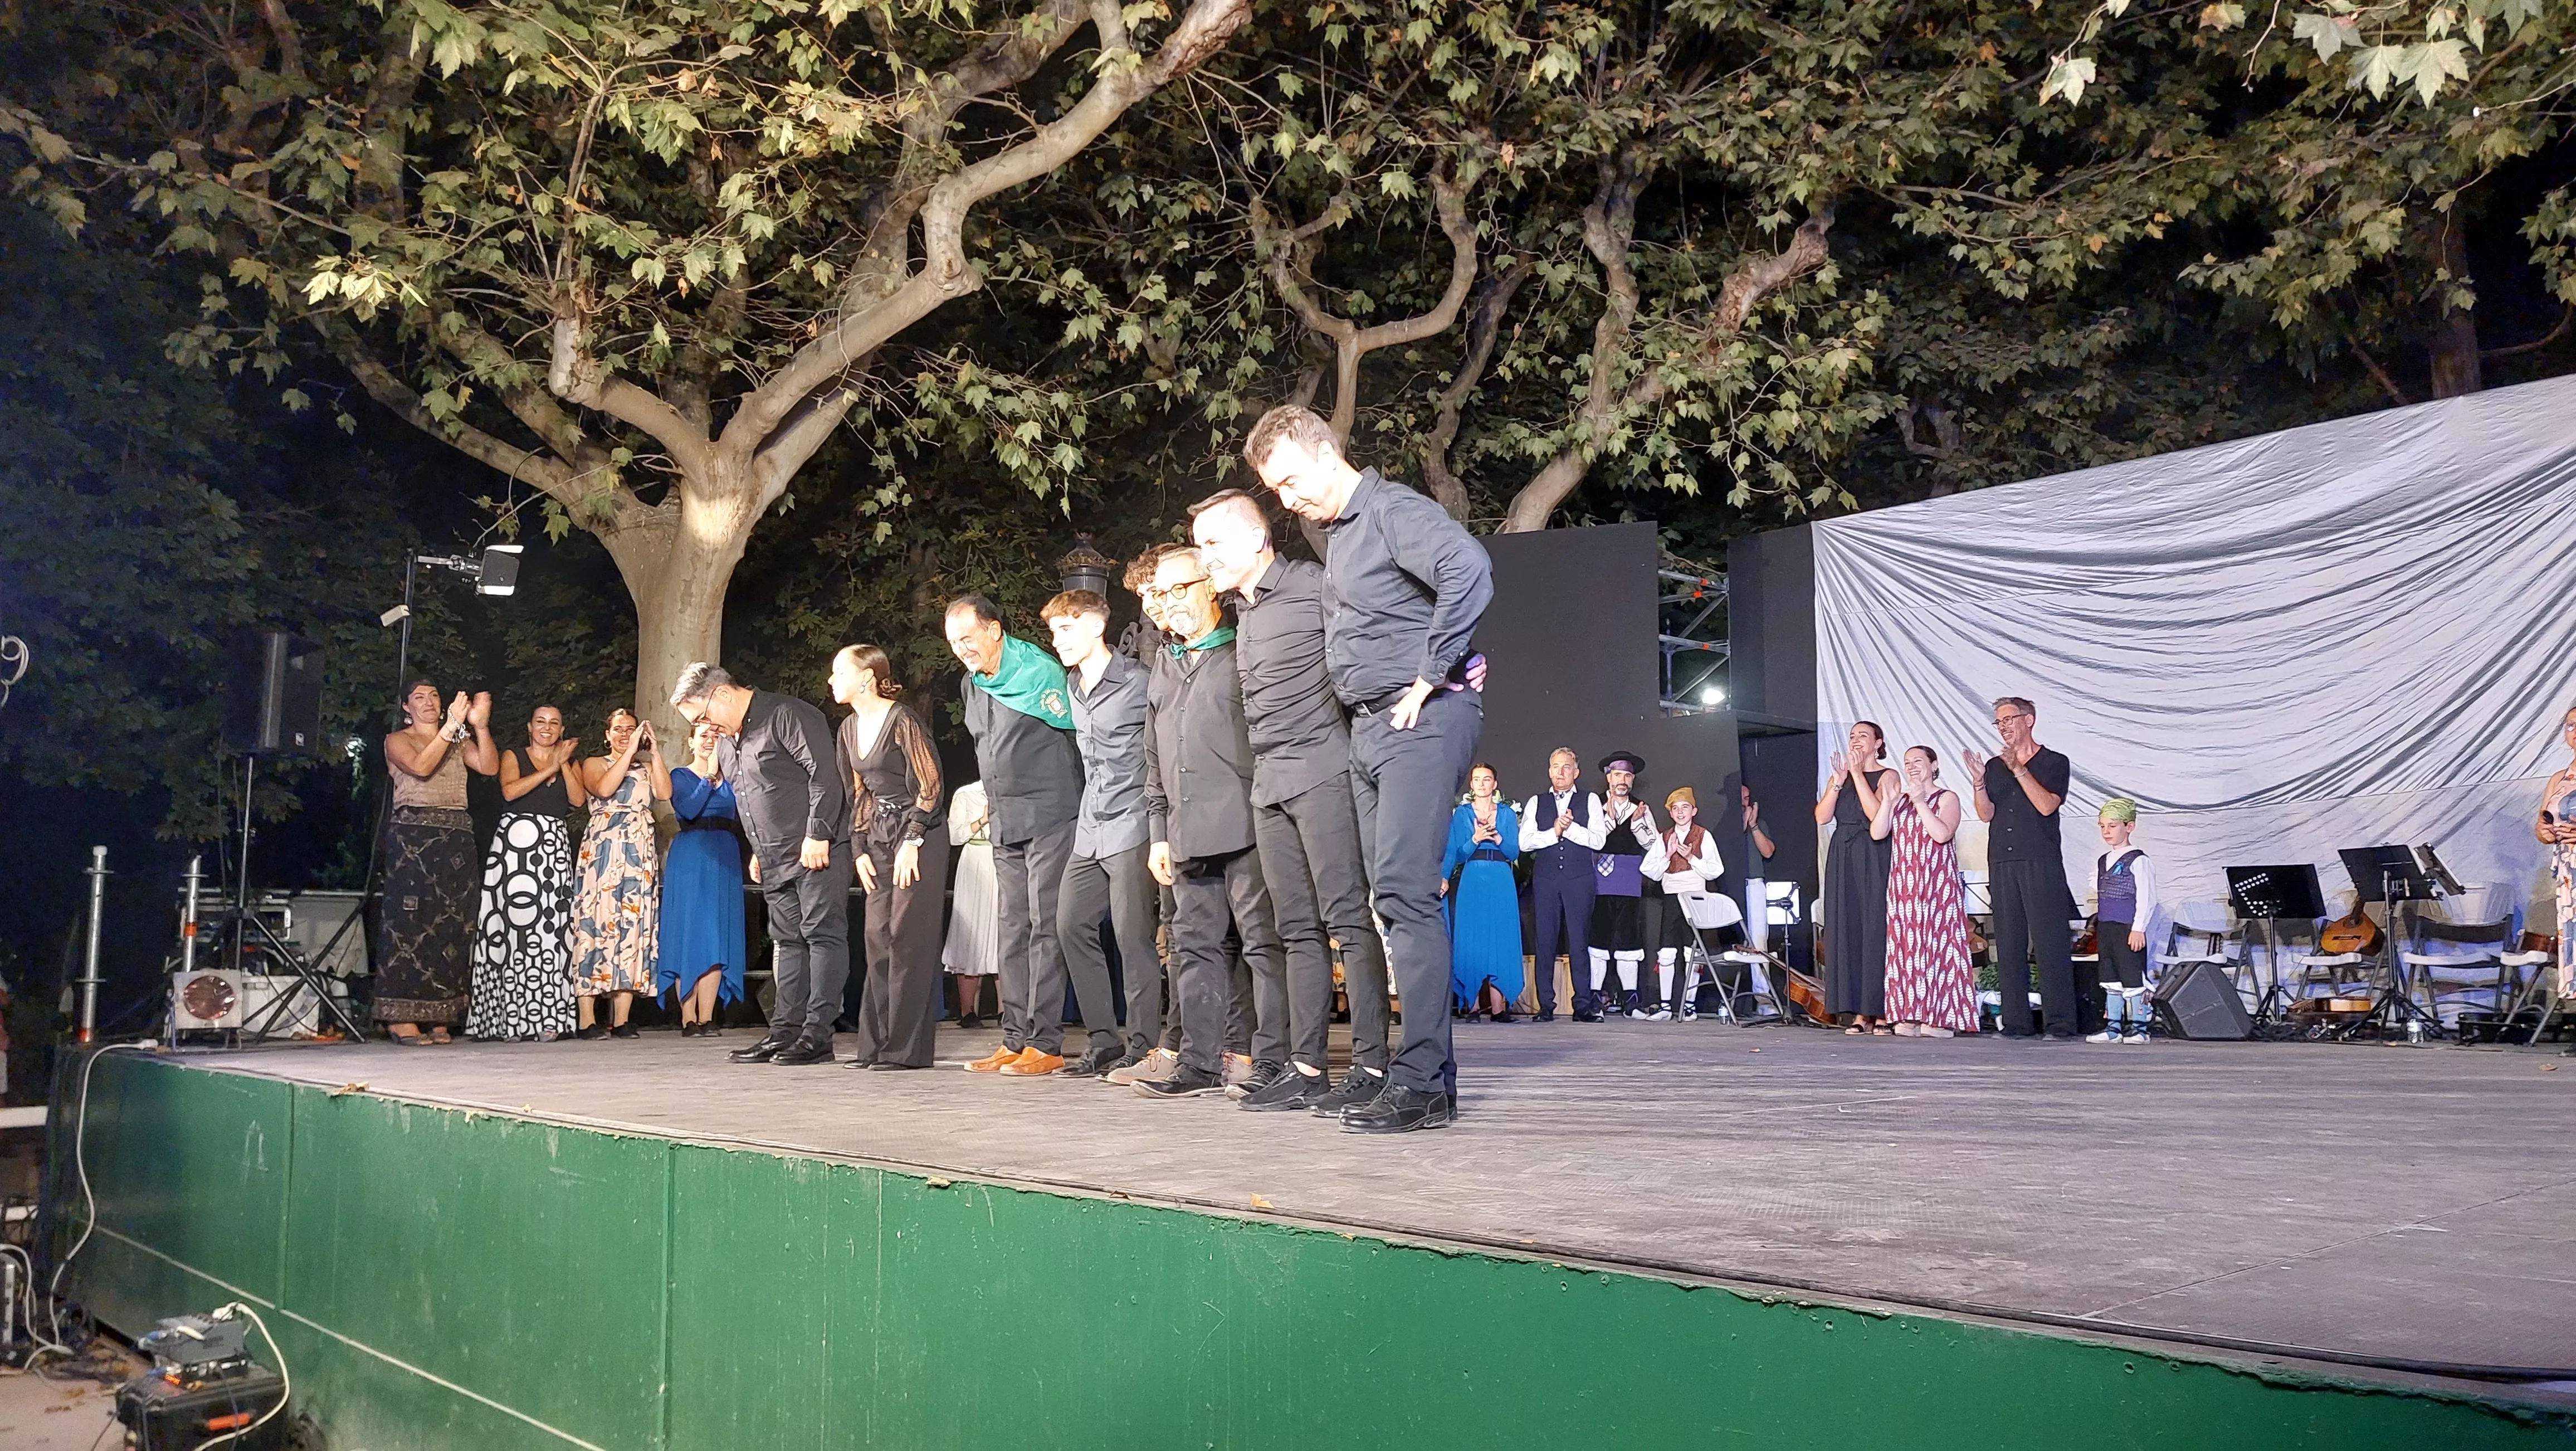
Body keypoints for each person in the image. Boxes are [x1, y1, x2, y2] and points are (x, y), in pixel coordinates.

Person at [1249, 402, 1492, 1133]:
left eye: (1291, 481)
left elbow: (1468, 568)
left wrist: (1434, 671)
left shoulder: (1390, 510)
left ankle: (1422, 1086)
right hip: (1368, 730)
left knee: (1405, 894)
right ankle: (1419, 1078)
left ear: (1326, 455)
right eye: (1275, 490)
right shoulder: (1339, 535)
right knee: (1388, 900)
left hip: (1417, 719)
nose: (1287, 499)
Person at [1192, 489, 1396, 1110]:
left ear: (1257, 539)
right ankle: (1307, 1069)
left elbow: (1378, 635)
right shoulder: (1243, 611)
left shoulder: (1312, 585)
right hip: (1270, 786)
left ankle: (1372, 1066)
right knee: (1296, 929)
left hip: (1325, 772)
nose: (1204, 557)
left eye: (1213, 542)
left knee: (1347, 921)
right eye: (1199, 545)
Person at [1134, 546, 1289, 1101]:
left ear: (1210, 586)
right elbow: (1154, 754)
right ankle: (1198, 1065)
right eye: (1162, 592)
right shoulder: (1166, 660)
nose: (1169, 601)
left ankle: (1272, 1061)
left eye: (1180, 588)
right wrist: (1158, 832)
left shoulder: (1243, 647)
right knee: (1193, 948)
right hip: (1186, 832)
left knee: (1261, 945)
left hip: (1247, 826)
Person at [947, 595, 1120, 1077]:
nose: (962, 649)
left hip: (1050, 815)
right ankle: (1014, 1038)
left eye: (968, 638)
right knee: (1011, 927)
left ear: (994, 630)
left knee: (1046, 926)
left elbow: (1080, 736)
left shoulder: (1040, 672)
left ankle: (1045, 1042)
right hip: (1004, 821)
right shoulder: (972, 684)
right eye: (954, 642)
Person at [672, 663, 853, 1066]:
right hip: (773, 856)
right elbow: (750, 799)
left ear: (722, 694)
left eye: (702, 717)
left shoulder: (787, 715)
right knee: (787, 941)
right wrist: (758, 849)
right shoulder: (726, 743)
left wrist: (818, 833)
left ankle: (818, 1036)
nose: (705, 728)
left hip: (816, 847)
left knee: (822, 935)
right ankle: (784, 1033)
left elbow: (825, 775)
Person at [1042, 591, 1161, 1080]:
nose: (1057, 641)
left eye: (1066, 630)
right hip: (1091, 827)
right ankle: (1104, 1041)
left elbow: (1160, 750)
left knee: (1133, 938)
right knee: (1070, 925)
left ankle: (1145, 1047)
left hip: (1133, 823)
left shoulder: (1138, 681)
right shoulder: (1073, 685)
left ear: (1096, 626)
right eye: (1054, 632)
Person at [831, 644, 950, 1070]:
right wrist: (859, 848)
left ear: (867, 677)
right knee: (877, 936)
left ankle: (906, 1050)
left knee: (906, 937)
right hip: (879, 834)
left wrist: (913, 839)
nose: (831, 680)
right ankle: (875, 1046)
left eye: (839, 672)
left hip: (919, 833)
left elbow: (931, 784)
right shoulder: (848, 728)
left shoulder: (902, 720)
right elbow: (858, 794)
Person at [378, 681, 498, 1044]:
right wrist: (452, 726)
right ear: (406, 707)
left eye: (433, 696)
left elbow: (489, 767)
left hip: (456, 837)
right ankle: (401, 1017)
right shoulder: (397, 740)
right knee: (411, 923)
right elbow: (421, 767)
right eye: (419, 698)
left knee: (452, 926)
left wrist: (479, 726)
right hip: (414, 837)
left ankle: (440, 1013)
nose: (428, 702)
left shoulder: (458, 739)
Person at [466, 704, 585, 1042]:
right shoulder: (514, 756)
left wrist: (564, 765)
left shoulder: (570, 761)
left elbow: (578, 801)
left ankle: (549, 1018)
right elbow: (510, 790)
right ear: (530, 727)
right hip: (515, 847)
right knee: (513, 930)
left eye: (554, 723)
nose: (547, 728)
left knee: (551, 932)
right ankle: (511, 1020)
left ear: (562, 730)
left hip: (552, 848)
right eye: (541, 722)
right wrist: (552, 767)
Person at [1967, 696, 2079, 1039]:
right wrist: (1979, 782)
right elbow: (1986, 814)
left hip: (2040, 859)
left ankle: (2060, 1022)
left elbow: (2047, 806)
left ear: (2028, 720)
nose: (2003, 727)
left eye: (2009, 720)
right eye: (1999, 722)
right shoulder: (1994, 766)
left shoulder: (2054, 762)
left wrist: (2019, 769)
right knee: (2008, 942)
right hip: (2002, 859)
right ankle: (2016, 1021)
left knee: (2049, 942)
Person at [570, 708, 671, 1039]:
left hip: (638, 852)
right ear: (607, 734)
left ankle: (623, 1018)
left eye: (631, 729)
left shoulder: (645, 767)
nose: (625, 734)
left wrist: (654, 752)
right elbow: (604, 789)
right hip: (604, 849)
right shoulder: (594, 763)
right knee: (595, 923)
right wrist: (628, 753)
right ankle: (587, 1020)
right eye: (619, 729)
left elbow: (665, 794)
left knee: (632, 926)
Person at [1873, 746, 1977, 1039]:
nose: (1912, 766)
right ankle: (1910, 1013)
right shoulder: (1901, 800)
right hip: (1904, 887)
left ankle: (1939, 1017)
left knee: (1938, 946)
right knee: (1907, 949)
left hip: (1936, 886)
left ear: (1933, 765)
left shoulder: (1946, 798)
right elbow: (1878, 833)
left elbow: (1942, 834)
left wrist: (1920, 802)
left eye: (1918, 761)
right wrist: (1888, 802)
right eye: (1907, 762)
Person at [659, 719, 748, 1037]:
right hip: (691, 856)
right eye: (704, 736)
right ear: (691, 742)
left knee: (716, 935)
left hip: (724, 855)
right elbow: (689, 809)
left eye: (716, 736)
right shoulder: (680, 776)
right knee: (689, 933)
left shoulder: (733, 778)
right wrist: (710, 773)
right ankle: (688, 1017)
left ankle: (708, 1017)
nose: (710, 740)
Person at [1817, 722, 1896, 1035]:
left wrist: (1858, 774)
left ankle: (1880, 1009)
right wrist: (1839, 782)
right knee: (1846, 927)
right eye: (1852, 736)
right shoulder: (1840, 776)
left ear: (1878, 743)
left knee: (1874, 927)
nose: (1856, 740)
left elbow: (1876, 814)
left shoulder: (1887, 775)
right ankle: (1857, 1012)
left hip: (1873, 851)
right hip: (1843, 853)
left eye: (1863, 736)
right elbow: (1822, 817)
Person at [1520, 748, 1603, 1023]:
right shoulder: (1537, 802)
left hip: (1580, 879)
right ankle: (1545, 1005)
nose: (1561, 772)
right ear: (1549, 771)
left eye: (1566, 767)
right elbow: (1525, 842)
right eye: (1556, 766)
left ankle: (1582, 1006)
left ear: (1576, 772)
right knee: (1545, 942)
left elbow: (1599, 840)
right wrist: (1555, 831)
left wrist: (1571, 828)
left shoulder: (1590, 800)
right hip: (1546, 880)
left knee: (1579, 942)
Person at [1441, 764, 1523, 1019]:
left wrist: (1497, 838)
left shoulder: (1507, 814)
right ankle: (1472, 1006)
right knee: (1472, 939)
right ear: (1472, 784)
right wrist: (1476, 838)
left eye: (1487, 779)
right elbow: (1458, 854)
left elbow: (1513, 853)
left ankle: (1499, 1009)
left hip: (1501, 878)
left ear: (1495, 784)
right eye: (1477, 779)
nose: (1482, 784)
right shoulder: (1462, 814)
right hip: (1473, 877)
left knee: (1501, 938)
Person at [1643, 786, 1726, 1021]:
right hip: (1671, 898)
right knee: (1667, 952)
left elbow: (1716, 870)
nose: (1680, 813)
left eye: (1685, 808)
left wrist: (1691, 858)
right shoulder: (1665, 838)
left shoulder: (1703, 835)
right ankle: (1665, 1006)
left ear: (1694, 811)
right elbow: (1648, 870)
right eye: (1676, 809)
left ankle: (1689, 1005)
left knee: (1692, 952)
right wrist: (1668, 856)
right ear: (1670, 813)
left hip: (1695, 897)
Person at [1586, 751, 1657, 1019]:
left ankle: (1631, 1001)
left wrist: (1637, 825)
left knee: (1628, 937)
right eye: (1618, 775)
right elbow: (1589, 840)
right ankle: (1595, 998)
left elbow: (1654, 846)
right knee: (1599, 937)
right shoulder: (1595, 805)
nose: (1623, 780)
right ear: (1609, 778)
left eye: (1627, 775)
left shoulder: (1641, 808)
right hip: (1599, 879)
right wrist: (1607, 819)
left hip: (1629, 878)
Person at [2085, 798, 2158, 1044]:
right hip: (2107, 927)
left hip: (2127, 927)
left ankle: (2140, 1029)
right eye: (2103, 826)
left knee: (2133, 977)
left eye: (2113, 826)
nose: (2107, 831)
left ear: (2130, 827)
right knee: (2110, 977)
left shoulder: (2138, 860)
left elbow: (2147, 897)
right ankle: (2113, 1028)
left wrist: (2138, 928)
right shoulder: (2103, 860)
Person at [943, 781, 999, 1026]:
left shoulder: (1010, 789)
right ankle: (968, 1012)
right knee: (970, 933)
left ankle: (1005, 1011)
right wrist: (983, 820)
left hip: (1001, 861)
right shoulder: (965, 794)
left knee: (1001, 932)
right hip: (973, 863)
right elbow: (954, 836)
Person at [2539, 706, 2576, 1022]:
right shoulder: (2559, 779)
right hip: (2569, 874)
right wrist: (2547, 831)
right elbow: (2541, 827)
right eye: (2570, 726)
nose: (2574, 731)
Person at [1738, 782, 1778, 952]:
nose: (1744, 802)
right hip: (1733, 886)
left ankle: (1762, 970)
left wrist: (1753, 825)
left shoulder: (1759, 824)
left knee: (1759, 938)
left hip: (1754, 884)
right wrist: (1744, 821)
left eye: (1747, 798)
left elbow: (1768, 852)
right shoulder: (1725, 824)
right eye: (1741, 798)